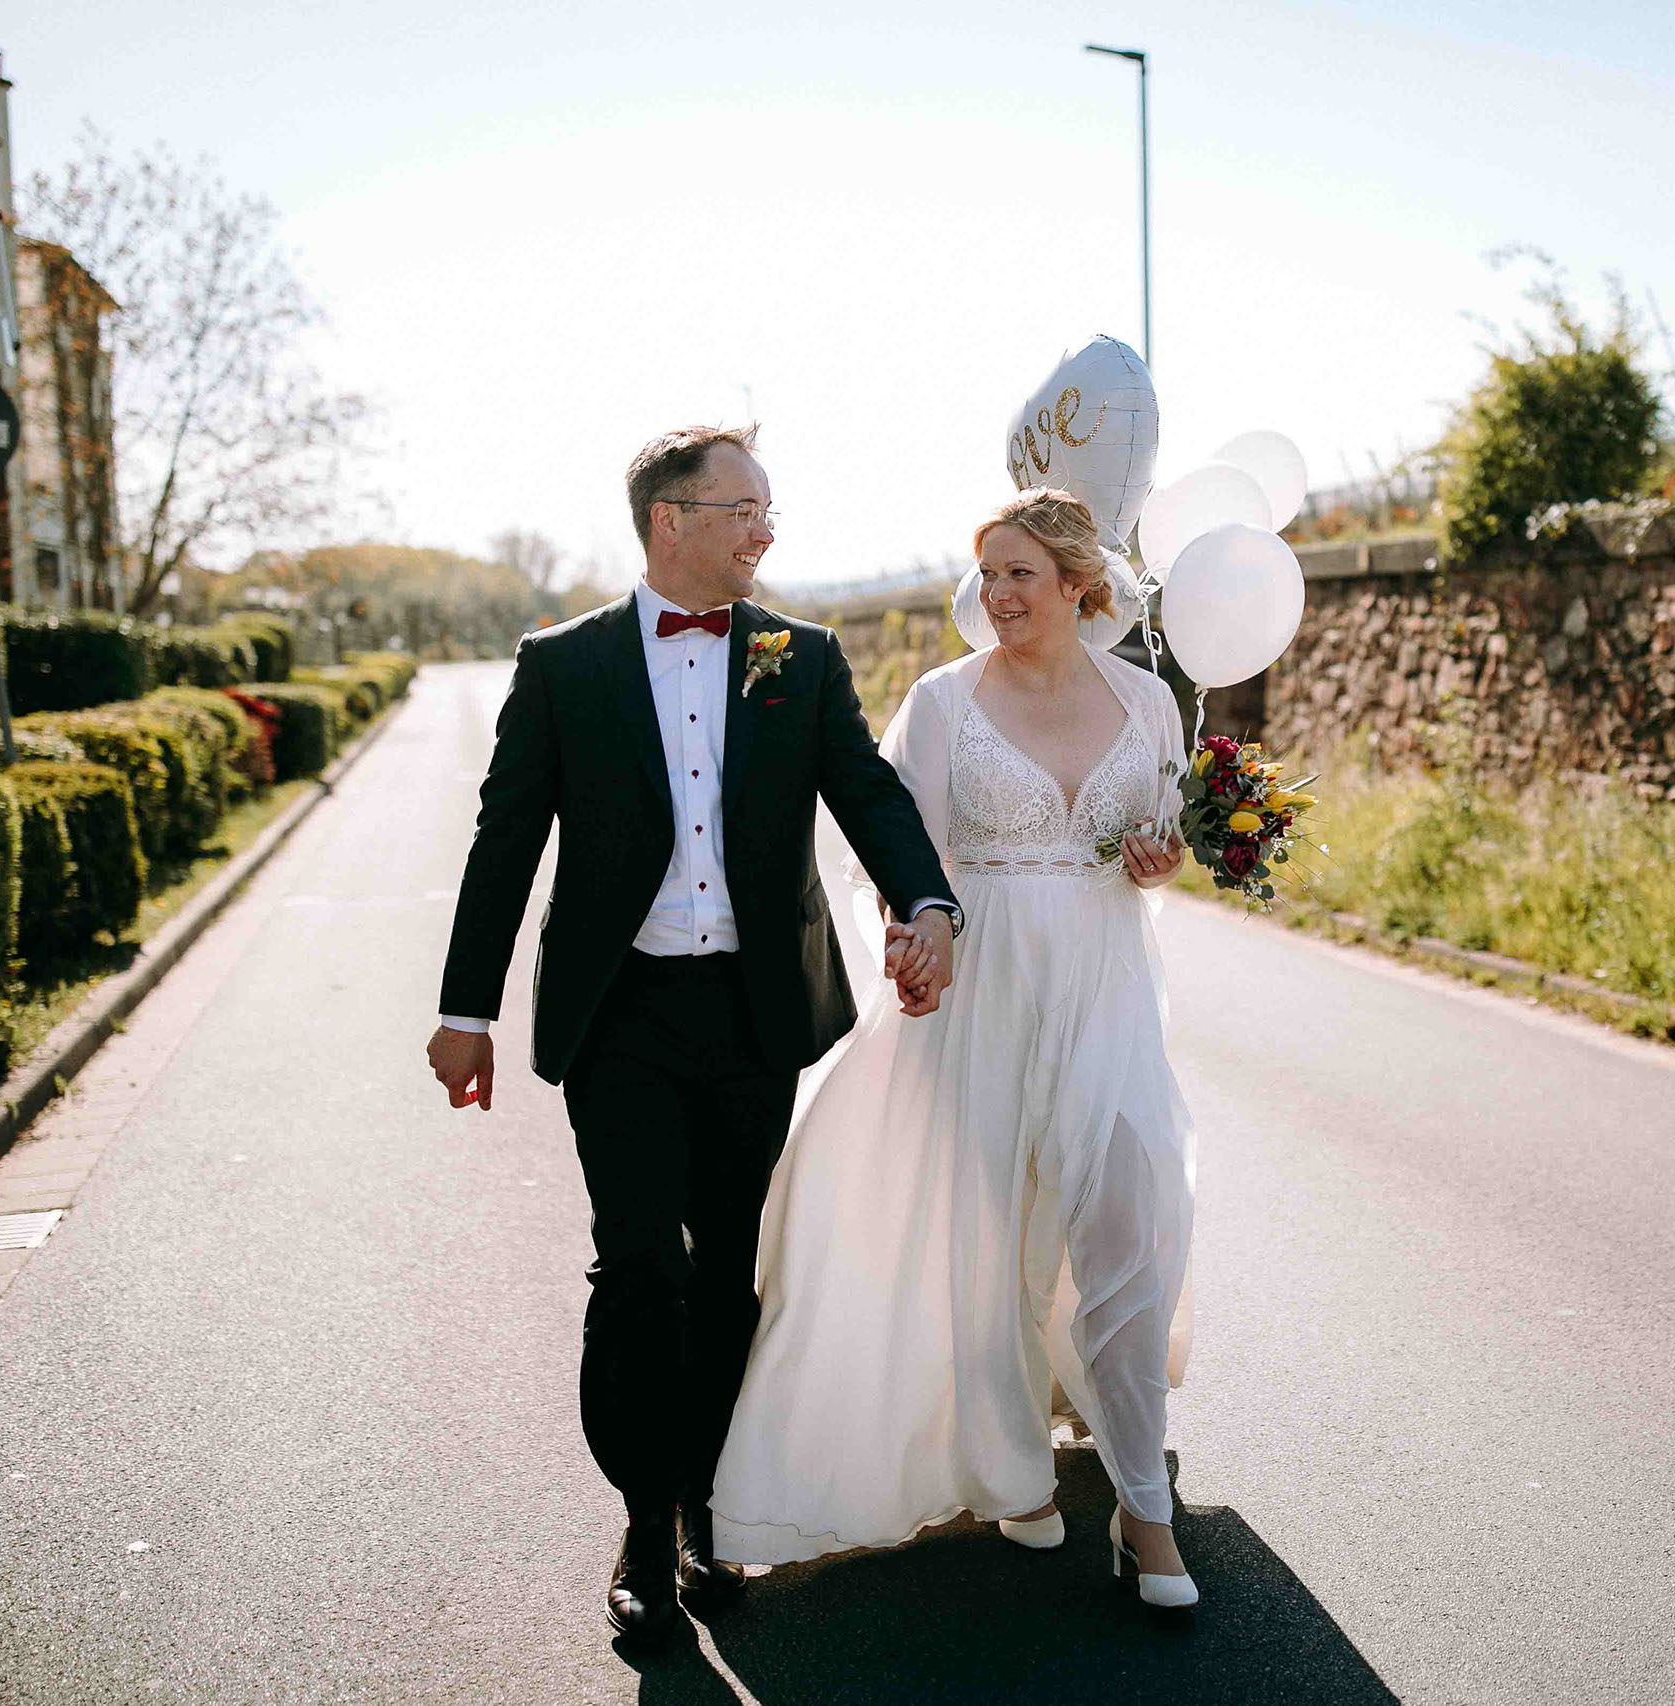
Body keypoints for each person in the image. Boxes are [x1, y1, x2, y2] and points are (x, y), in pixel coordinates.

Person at [424, 424, 963, 1646]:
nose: (765, 530)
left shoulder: (798, 656)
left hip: (753, 1010)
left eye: (768, 509)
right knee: (637, 1271)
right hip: (619, 1015)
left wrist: (924, 900)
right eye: (744, 508)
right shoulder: (564, 665)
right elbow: (504, 842)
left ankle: (706, 1498)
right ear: (670, 519)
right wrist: (466, 1010)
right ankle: (639, 1518)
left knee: (725, 1266)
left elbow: (866, 790)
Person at [711, 487, 1202, 1609]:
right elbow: (895, 850)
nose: (997, 595)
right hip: (979, 993)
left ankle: (1143, 1506)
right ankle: (1008, 1463)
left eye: (1020, 573)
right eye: (986, 575)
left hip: (1105, 990)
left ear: (1080, 583)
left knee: (1131, 1229)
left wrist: (1159, 859)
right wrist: (909, 937)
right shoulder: (940, 704)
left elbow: (1159, 834)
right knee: (985, 1242)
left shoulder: (1148, 701)